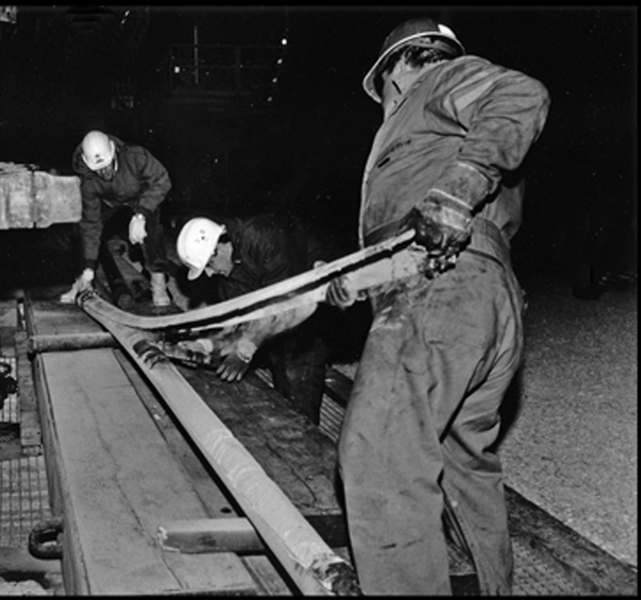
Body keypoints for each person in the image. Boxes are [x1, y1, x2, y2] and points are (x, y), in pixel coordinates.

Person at [322, 17, 550, 594]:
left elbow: (523, 93)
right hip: (477, 299)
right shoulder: (440, 131)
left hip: (439, 289)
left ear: (396, 70)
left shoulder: (436, 79)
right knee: (461, 463)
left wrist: (458, 187)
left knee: (380, 458)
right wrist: (363, 275)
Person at [176, 213, 342, 426]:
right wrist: (205, 346)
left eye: (209, 265)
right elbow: (240, 323)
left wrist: (245, 350)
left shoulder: (262, 238)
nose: (209, 274)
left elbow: (288, 304)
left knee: (297, 372)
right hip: (281, 315)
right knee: (280, 373)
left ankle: (307, 445)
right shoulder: (228, 276)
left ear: (218, 248)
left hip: (310, 306)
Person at [60, 130, 174, 307]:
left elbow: (162, 180)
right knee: (80, 229)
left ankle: (158, 284)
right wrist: (89, 266)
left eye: (107, 165)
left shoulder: (135, 156)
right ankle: (80, 280)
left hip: (140, 196)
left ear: (114, 152)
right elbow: (91, 224)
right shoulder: (88, 181)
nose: (105, 173)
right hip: (110, 200)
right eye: (98, 170)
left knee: (152, 230)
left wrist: (141, 215)